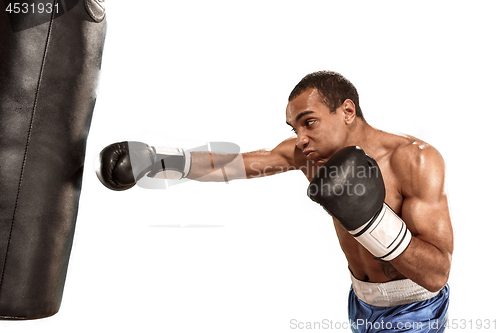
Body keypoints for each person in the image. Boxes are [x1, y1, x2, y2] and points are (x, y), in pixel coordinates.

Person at [97, 71, 453, 332]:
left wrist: (372, 222)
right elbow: (235, 166)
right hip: (360, 303)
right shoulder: (309, 157)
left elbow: (437, 274)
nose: (300, 138)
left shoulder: (413, 160)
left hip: (416, 309)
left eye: (309, 122)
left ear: (347, 111)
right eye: (293, 129)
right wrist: (160, 160)